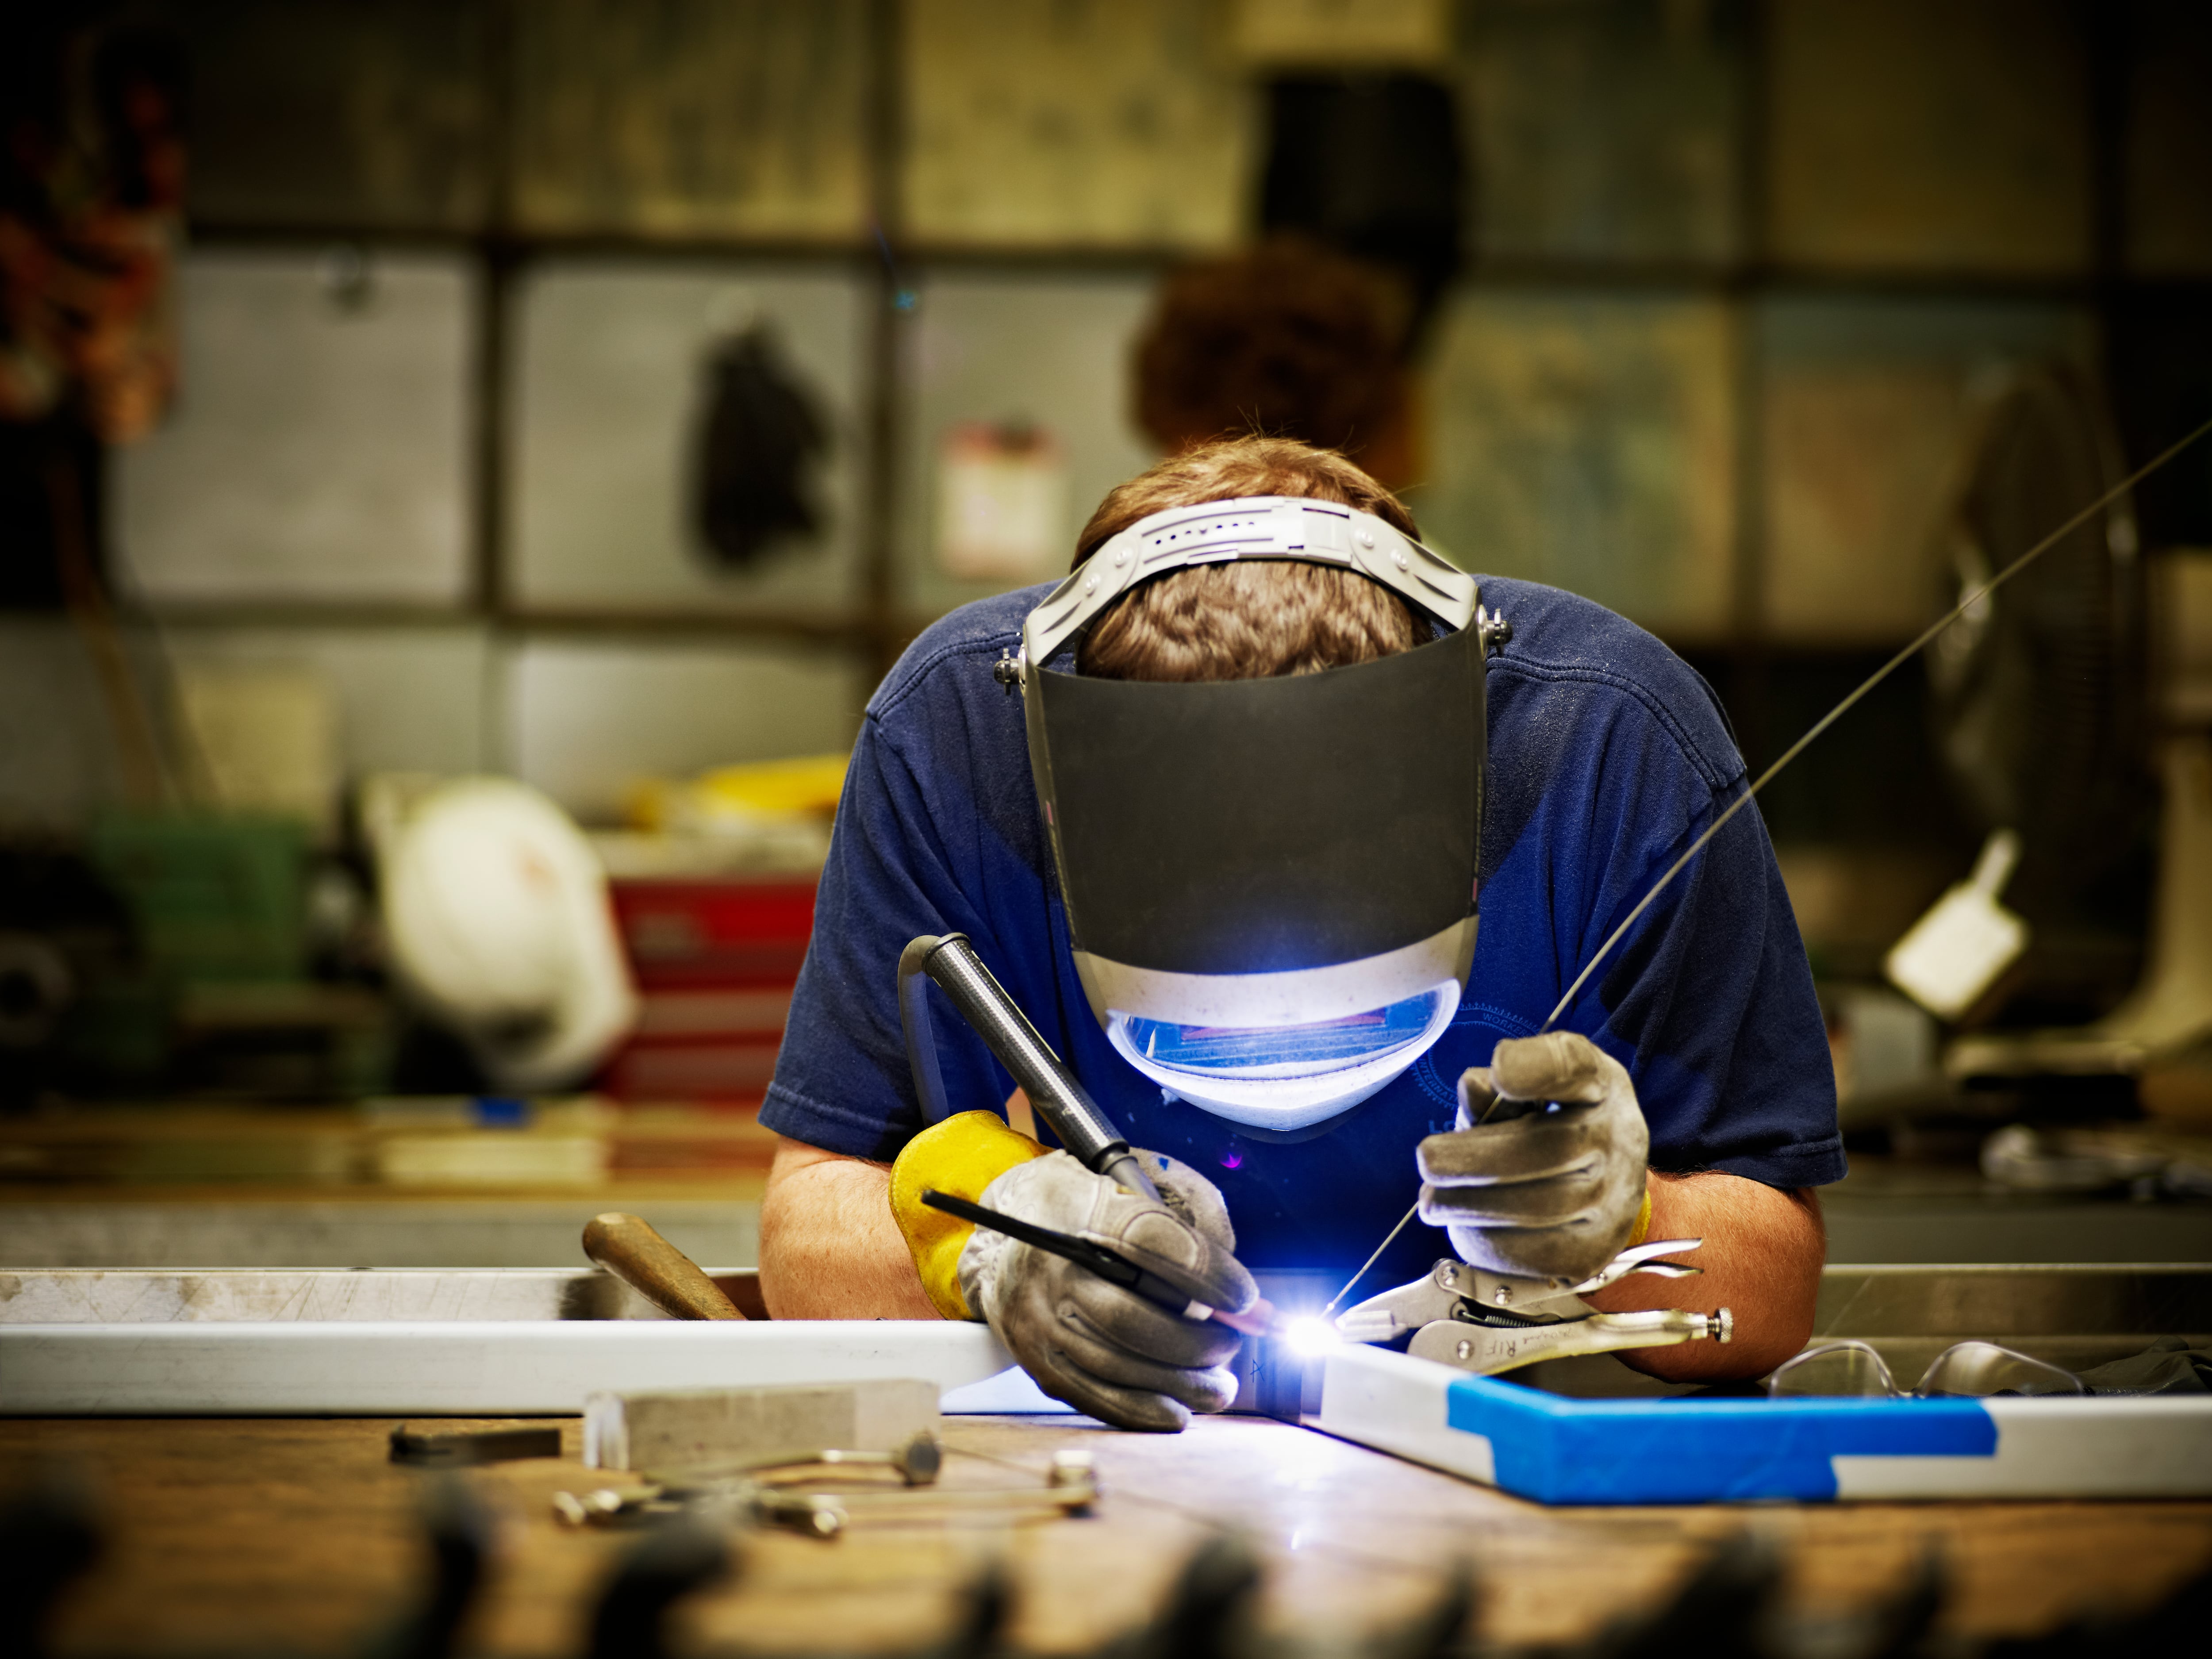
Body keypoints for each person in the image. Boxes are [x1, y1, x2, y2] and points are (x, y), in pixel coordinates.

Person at [758, 437, 1839, 1430]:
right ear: (1068, 793)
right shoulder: (956, 738)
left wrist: (1619, 1216)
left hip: (1512, 1447)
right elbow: (805, 1244)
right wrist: (993, 1244)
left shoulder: (1611, 740)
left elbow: (1771, 1292)